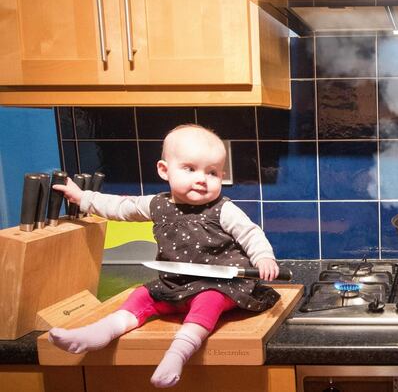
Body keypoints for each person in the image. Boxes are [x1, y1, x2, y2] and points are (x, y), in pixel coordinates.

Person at [47, 124, 282, 388]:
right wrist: (82, 197)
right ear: (164, 170)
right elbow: (120, 207)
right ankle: (98, 333)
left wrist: (264, 258)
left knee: (208, 300)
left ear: (222, 176)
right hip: (174, 284)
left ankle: (177, 354)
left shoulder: (224, 210)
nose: (202, 178)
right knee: (141, 295)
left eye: (212, 172)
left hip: (220, 285)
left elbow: (251, 234)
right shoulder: (156, 204)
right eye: (190, 169)